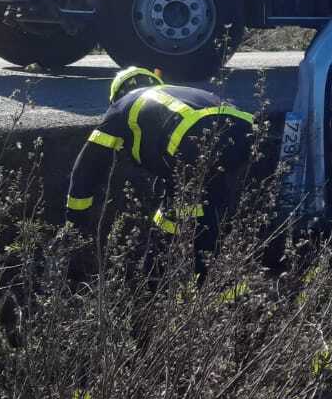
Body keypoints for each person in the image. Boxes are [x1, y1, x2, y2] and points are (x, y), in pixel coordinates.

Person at [66, 66, 256, 271]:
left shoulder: (121, 107)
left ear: (117, 95)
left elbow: (85, 168)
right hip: (248, 130)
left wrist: (75, 222)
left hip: (191, 141)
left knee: (191, 216)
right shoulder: (175, 94)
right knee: (209, 204)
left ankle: (182, 279)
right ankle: (174, 274)